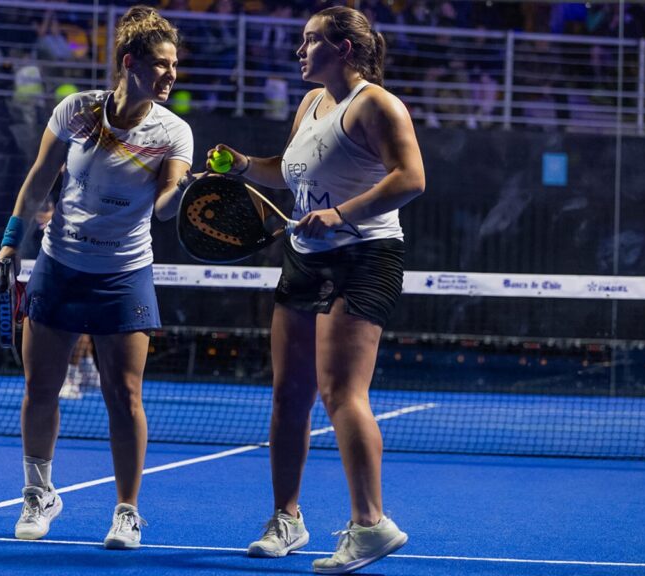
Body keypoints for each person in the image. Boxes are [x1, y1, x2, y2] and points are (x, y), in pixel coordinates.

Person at [208, 7, 425, 574]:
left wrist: (342, 215)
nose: (299, 50)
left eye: (310, 41)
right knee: (289, 395)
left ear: (344, 48)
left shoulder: (376, 105)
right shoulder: (310, 103)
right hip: (304, 260)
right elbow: (287, 171)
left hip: (364, 257)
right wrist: (243, 166)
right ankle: (287, 518)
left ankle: (371, 525)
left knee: (342, 393)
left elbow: (411, 178)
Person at [0, 6, 192, 550]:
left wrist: (182, 191)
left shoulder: (174, 132)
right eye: (161, 64)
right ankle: (38, 494)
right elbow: (39, 179)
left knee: (124, 395)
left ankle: (127, 512)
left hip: (124, 273)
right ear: (130, 63)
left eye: (175, 65)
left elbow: (165, 207)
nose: (171, 74)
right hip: (58, 265)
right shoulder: (76, 111)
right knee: (40, 388)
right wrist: (11, 239)